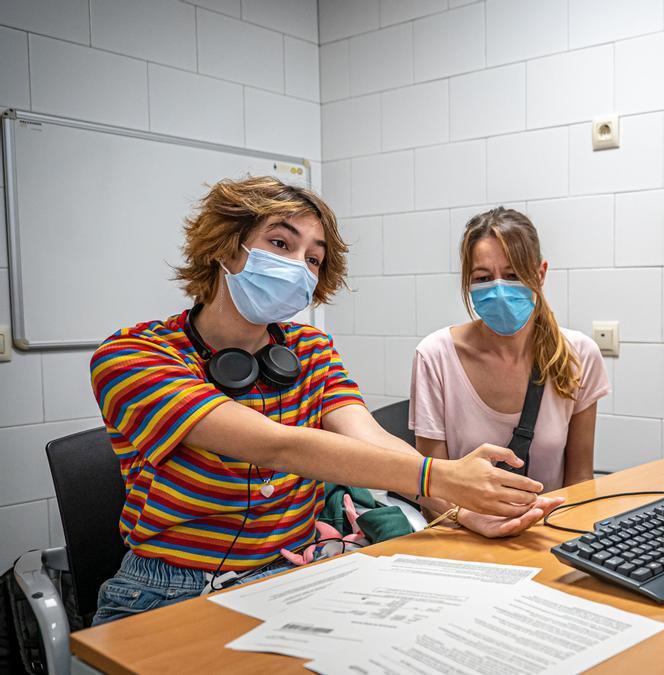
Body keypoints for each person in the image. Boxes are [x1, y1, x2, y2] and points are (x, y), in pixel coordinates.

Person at [90, 177, 553, 625]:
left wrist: (456, 506)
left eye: (313, 258)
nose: (298, 266)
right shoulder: (133, 356)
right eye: (280, 244)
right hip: (171, 588)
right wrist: (443, 476)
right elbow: (279, 446)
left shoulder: (309, 349)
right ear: (226, 246)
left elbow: (365, 434)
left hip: (297, 568)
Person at [409, 207, 609, 503]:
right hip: (464, 534)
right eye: (484, 277)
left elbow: (580, 479)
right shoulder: (435, 357)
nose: (500, 290)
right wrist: (471, 523)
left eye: (513, 274)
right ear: (468, 281)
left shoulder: (578, 355)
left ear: (540, 274)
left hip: (549, 532)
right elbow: (432, 491)